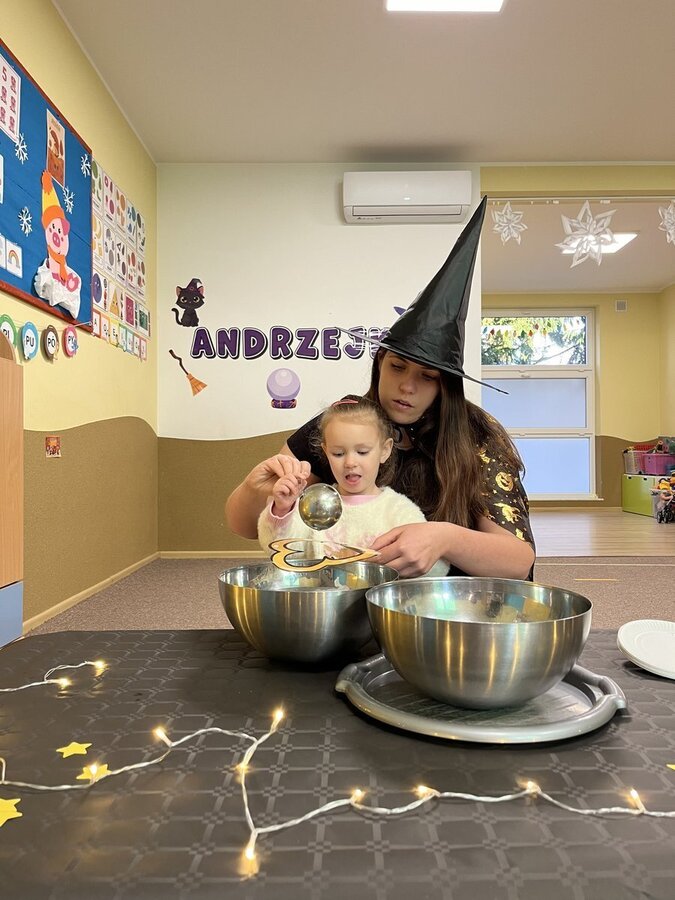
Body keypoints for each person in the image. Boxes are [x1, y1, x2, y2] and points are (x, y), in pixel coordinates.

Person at [226, 196, 535, 580]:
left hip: (447, 604)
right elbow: (244, 525)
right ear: (380, 364)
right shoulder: (346, 420)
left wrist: (445, 538)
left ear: (446, 386)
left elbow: (517, 562)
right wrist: (255, 488)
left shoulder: (477, 435)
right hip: (352, 597)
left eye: (427, 376)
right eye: (397, 367)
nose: (406, 386)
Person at [257, 395, 449, 577]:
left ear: (385, 450)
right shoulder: (316, 505)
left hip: (377, 600)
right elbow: (280, 552)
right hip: (324, 599)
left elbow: (435, 567)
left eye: (362, 452)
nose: (350, 462)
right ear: (326, 451)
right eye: (338, 453)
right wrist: (282, 509)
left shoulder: (397, 510)